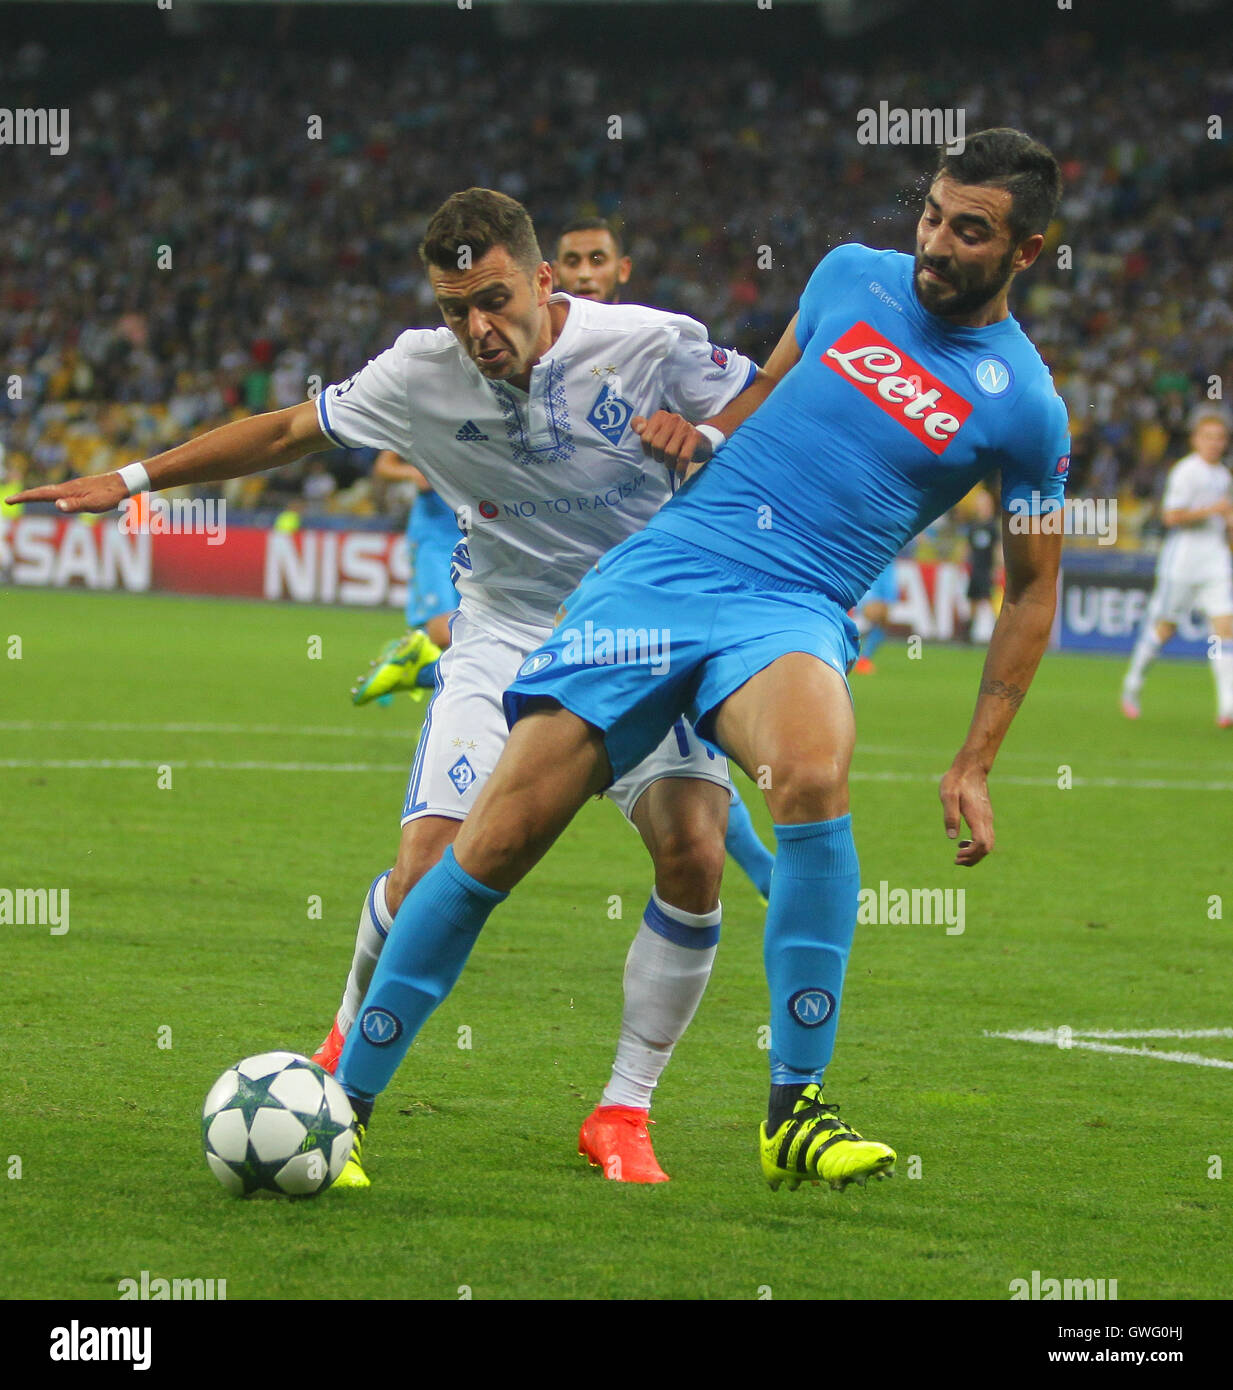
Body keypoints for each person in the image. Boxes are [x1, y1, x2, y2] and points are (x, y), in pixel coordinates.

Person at [308, 129, 1070, 1195]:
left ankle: (793, 1110)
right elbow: (764, 392)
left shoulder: (1025, 406)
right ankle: (345, 1107)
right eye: (934, 214)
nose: (935, 244)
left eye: (969, 230)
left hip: (794, 606)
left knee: (809, 774)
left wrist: (977, 759)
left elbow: (1033, 586)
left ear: (1027, 251)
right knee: (491, 846)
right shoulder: (852, 272)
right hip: (664, 573)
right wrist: (701, 444)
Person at [9, 188, 775, 1187]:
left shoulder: (650, 343)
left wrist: (713, 445)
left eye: (495, 299)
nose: (476, 328)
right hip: (502, 632)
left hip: (639, 631)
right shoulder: (418, 372)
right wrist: (135, 479)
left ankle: (623, 1111)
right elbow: (288, 431)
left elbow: (772, 403)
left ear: (545, 281)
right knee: (426, 873)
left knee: (695, 852)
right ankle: (339, 1067)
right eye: (456, 308)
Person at [1121, 412, 1233, 726]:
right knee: (1165, 627)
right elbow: (1171, 517)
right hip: (1183, 560)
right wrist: (1215, 509)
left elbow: (1224, 518)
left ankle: (1227, 706)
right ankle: (1133, 683)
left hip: (1215, 558)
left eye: (1220, 437)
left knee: (1225, 628)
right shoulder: (1185, 472)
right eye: (1208, 436)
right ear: (1196, 440)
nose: (1214, 443)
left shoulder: (1224, 475)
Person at [350, 451, 456, 707]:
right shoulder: (428, 413)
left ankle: (410, 655)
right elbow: (384, 464)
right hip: (435, 539)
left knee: (473, 636)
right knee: (445, 636)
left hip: (478, 536)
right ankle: (413, 669)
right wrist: (414, 471)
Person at [963, 487, 1001, 644]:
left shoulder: (992, 526)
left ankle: (999, 634)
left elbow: (997, 549)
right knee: (973, 600)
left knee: (990, 600)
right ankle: (968, 634)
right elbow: (967, 548)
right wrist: (964, 564)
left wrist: (997, 568)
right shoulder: (973, 526)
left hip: (987, 569)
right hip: (975, 569)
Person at [851, 563, 897, 674]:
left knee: (883, 622)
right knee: (873, 613)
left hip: (886, 576)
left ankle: (864, 659)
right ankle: (848, 654)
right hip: (869, 579)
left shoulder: (891, 563)